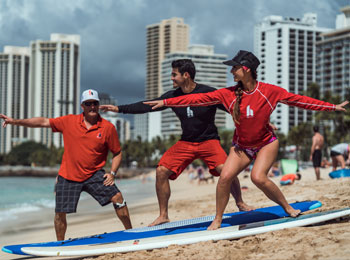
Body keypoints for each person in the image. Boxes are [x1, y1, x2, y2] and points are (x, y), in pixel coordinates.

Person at [144, 50, 348, 230]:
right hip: (241, 146)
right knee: (224, 177)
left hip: (266, 143)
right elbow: (195, 98)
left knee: (258, 178)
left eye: (234, 68)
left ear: (246, 69)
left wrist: (332, 107)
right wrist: (166, 101)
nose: (231, 72)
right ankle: (217, 219)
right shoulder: (228, 94)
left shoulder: (269, 91)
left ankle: (287, 207)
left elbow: (301, 101)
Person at [100, 59, 253, 226]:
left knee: (226, 170)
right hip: (186, 142)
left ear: (186, 75)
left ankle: (240, 202)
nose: (171, 78)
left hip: (209, 141)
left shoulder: (208, 92)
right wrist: (119, 109)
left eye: (174, 75)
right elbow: (147, 105)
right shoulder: (173, 96)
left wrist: (257, 121)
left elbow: (233, 108)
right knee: (161, 171)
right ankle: (163, 215)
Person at [0, 89, 132, 240]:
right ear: (83, 106)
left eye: (95, 103)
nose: (92, 107)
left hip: (95, 174)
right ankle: (60, 245)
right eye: (88, 104)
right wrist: (15, 121)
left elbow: (117, 153)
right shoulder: (69, 121)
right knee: (60, 213)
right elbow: (43, 122)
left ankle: (130, 234)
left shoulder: (108, 128)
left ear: (98, 105)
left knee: (118, 197)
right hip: (68, 175)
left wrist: (113, 173)